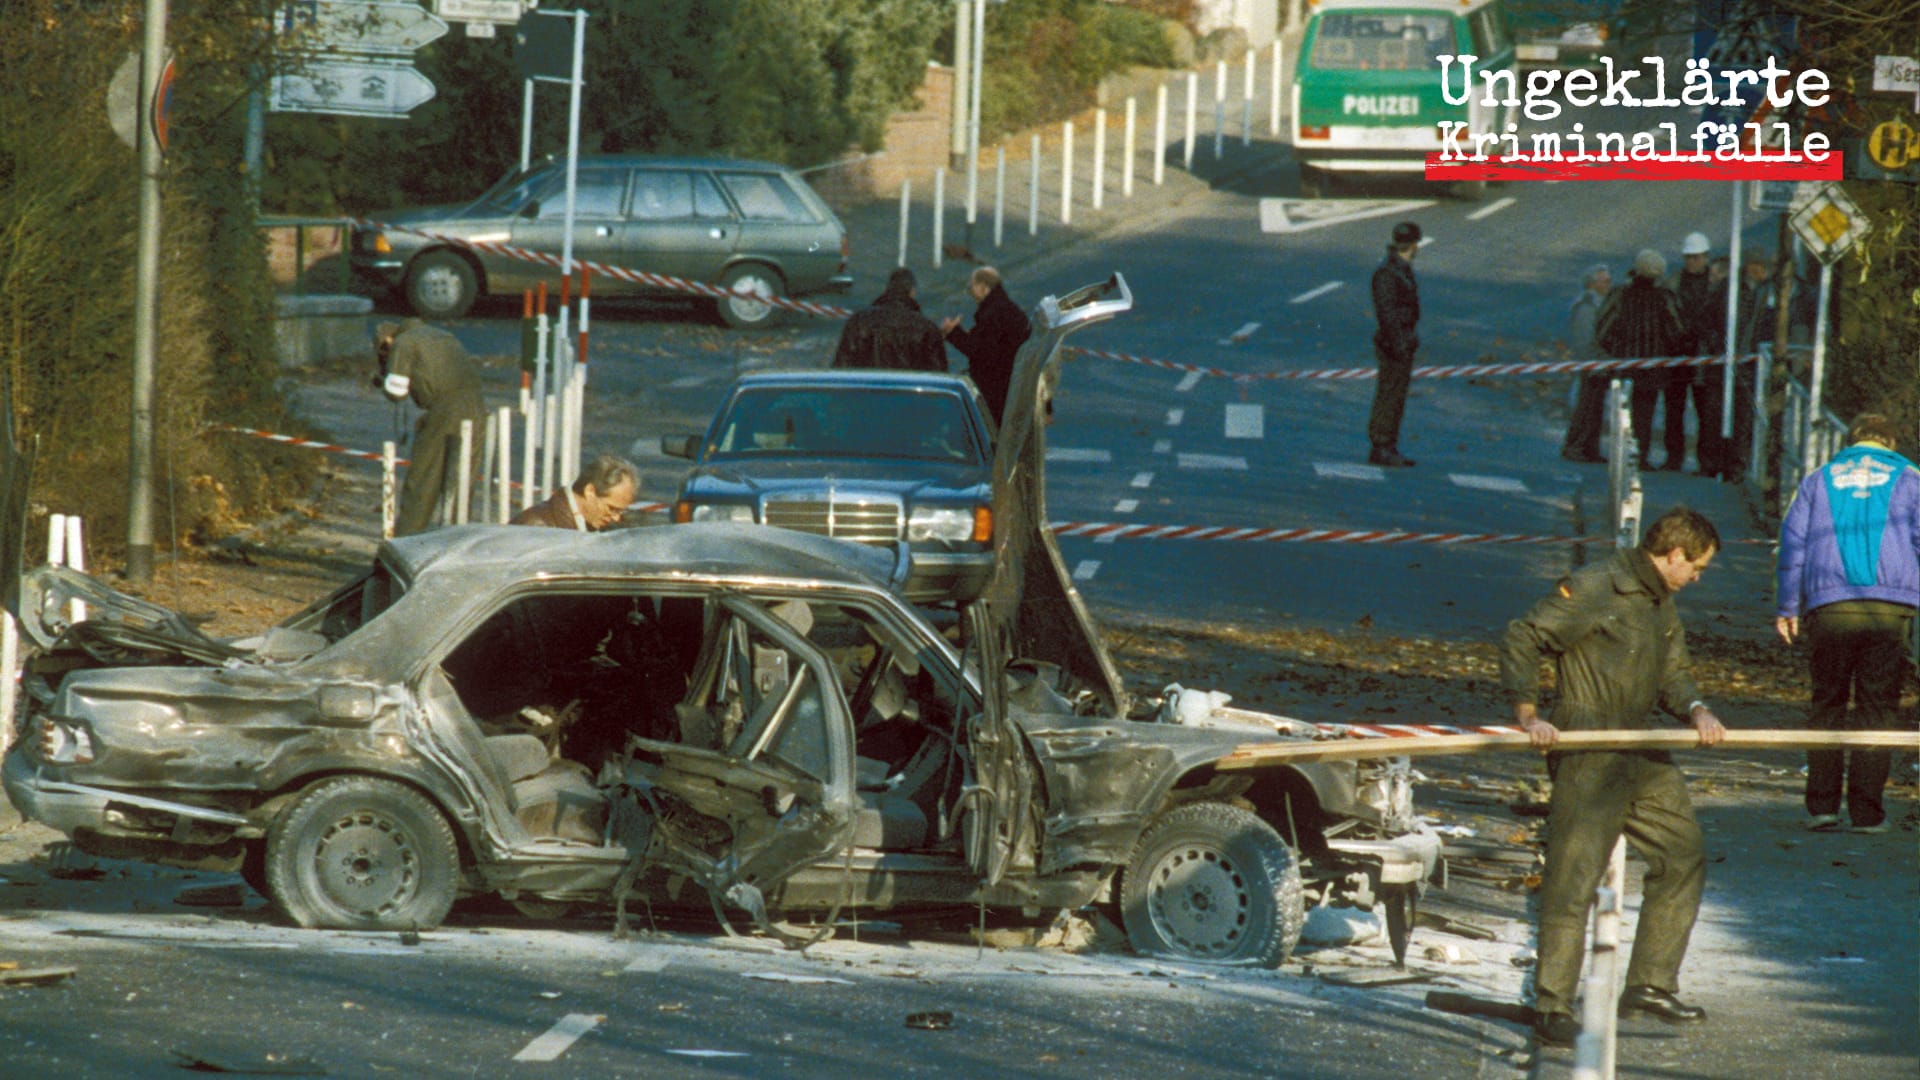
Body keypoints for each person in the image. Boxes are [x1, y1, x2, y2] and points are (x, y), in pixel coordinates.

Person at [1501, 505, 1727, 1048]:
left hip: (1639, 746)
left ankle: (1649, 984)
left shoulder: (1659, 601)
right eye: (1696, 567)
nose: (1697, 578)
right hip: (1590, 745)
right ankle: (1553, 1004)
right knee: (1573, 877)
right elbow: (1523, 634)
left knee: (1683, 854)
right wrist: (1529, 713)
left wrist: (1696, 708)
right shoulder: (1599, 585)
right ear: (1674, 555)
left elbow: (1674, 673)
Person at [1774, 413, 1920, 834]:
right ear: (1889, 441)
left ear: (1851, 441)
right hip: (1890, 609)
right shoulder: (1910, 477)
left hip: (1829, 605)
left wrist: (1786, 605)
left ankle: (1822, 806)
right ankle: (1867, 812)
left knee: (1828, 702)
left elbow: (1793, 543)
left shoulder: (1818, 479)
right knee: (1877, 708)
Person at [376, 320, 487, 537]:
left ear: (388, 341)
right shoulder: (441, 335)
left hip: (446, 409)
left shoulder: (403, 342)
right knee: (461, 485)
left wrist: (385, 375)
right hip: (477, 406)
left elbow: (396, 392)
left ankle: (405, 546)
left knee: (422, 483)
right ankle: (453, 546)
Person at [1597, 249, 1684, 472]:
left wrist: (1616, 350)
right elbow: (1676, 331)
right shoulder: (1665, 298)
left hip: (1624, 365)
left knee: (1621, 411)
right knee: (1644, 413)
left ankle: (1621, 456)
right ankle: (1640, 457)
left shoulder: (1620, 294)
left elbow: (1604, 328)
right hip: (1653, 368)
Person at [942, 266, 1031, 427]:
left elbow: (980, 352)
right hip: (1013, 386)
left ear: (983, 287)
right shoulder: (1010, 310)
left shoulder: (992, 314)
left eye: (971, 287)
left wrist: (953, 333)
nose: (970, 293)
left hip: (995, 390)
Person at [1668, 231, 1725, 476]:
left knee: (1706, 411)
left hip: (1704, 356)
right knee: (1674, 408)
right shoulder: (1674, 281)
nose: (1693, 262)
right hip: (1678, 354)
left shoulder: (1716, 284)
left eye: (1697, 257)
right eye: (1689, 257)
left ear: (1706, 256)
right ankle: (1674, 458)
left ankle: (1707, 461)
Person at [1367, 221, 1422, 468]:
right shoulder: (1389, 273)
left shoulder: (1399, 269)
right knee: (1390, 395)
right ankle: (1382, 445)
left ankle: (1388, 444)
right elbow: (1387, 314)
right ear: (1414, 244)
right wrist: (1399, 343)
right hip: (1394, 343)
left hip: (1402, 340)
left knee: (1396, 396)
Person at [1720, 250, 1776, 482]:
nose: (1759, 271)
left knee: (1751, 416)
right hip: (1744, 361)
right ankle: (1737, 465)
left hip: (1757, 360)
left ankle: (1746, 464)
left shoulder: (1767, 291)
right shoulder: (1741, 289)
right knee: (1741, 415)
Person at [831, 267, 947, 372]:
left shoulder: (858, 322)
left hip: (867, 393)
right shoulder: (926, 329)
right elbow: (938, 376)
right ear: (912, 292)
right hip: (909, 394)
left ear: (887, 290)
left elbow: (841, 368)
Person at [1559, 263, 1614, 464]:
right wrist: (1594, 363)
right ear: (1593, 284)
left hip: (1600, 364)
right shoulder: (1586, 307)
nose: (1609, 284)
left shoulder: (1600, 303)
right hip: (1591, 365)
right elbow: (1584, 340)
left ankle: (1590, 447)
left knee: (1596, 409)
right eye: (1605, 281)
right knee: (1585, 407)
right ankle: (1574, 445)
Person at [512, 454, 641, 531]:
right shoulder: (535, 527)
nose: (616, 518)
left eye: (621, 511)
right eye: (611, 509)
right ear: (590, 491)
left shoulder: (592, 525)